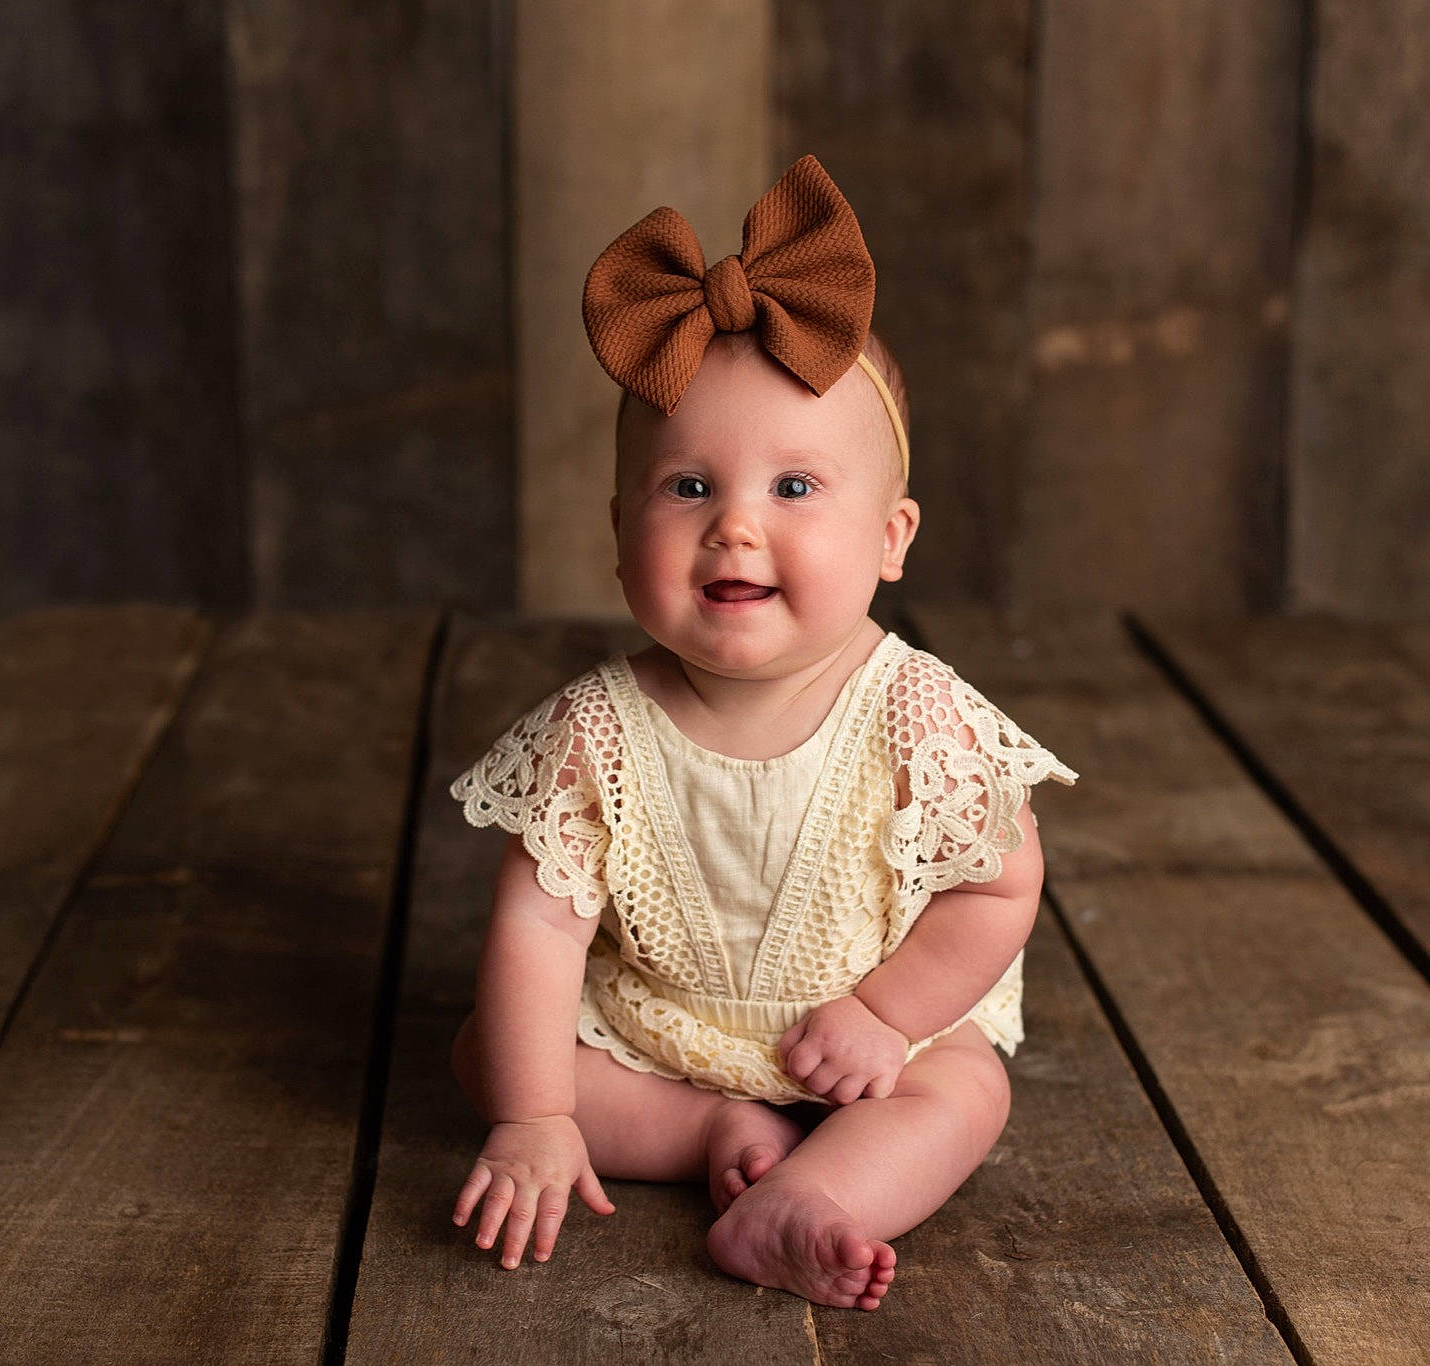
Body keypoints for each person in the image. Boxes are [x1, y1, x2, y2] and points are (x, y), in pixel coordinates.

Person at [444, 155, 1079, 1311]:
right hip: (659, 1020)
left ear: (890, 538)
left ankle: (811, 1200)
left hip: (876, 1035)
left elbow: (996, 890)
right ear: (617, 528)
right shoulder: (596, 731)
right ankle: (706, 1130)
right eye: (687, 488)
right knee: (493, 1055)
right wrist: (532, 1118)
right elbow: (536, 922)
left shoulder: (915, 715)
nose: (734, 526)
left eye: (794, 489)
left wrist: (887, 1014)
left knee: (966, 1092)